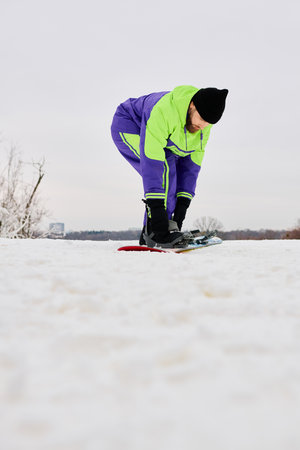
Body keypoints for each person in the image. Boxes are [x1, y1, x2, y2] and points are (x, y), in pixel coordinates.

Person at [111, 85, 228, 248]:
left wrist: (183, 204)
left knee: (171, 178)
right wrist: (157, 209)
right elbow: (153, 163)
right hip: (130, 126)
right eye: (202, 119)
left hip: (162, 141)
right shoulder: (165, 110)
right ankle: (154, 232)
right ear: (192, 105)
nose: (203, 126)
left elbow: (191, 166)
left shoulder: (203, 127)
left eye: (208, 123)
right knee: (164, 172)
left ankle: (158, 230)